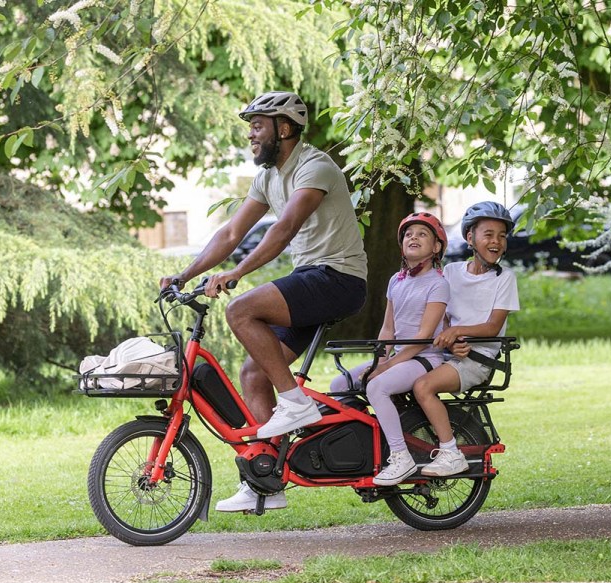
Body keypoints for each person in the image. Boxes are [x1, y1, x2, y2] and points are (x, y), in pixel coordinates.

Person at [159, 91, 368, 511]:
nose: (251, 135)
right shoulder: (267, 177)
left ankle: (295, 403)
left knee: (241, 309)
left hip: (339, 278)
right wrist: (185, 275)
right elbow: (230, 234)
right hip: (310, 277)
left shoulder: (316, 166)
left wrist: (238, 274)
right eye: (250, 127)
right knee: (253, 374)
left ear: (284, 128)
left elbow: (286, 227)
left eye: (258, 125)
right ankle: (265, 480)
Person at [330, 213, 449, 486]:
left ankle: (400, 457)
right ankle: (368, 444)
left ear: (436, 247)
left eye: (422, 234)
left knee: (377, 387)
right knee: (340, 383)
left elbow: (422, 338)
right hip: (399, 356)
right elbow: (388, 330)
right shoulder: (397, 280)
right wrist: (379, 361)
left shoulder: (437, 284)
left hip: (425, 359)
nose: (413, 237)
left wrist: (384, 369)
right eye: (408, 234)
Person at [412, 201, 520, 477]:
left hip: (477, 360)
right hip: (449, 352)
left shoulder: (504, 278)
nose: (496, 241)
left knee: (423, 387)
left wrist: (459, 333)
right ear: (470, 238)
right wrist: (451, 338)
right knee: (400, 379)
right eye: (489, 234)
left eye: (502, 236)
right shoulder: (451, 272)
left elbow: (493, 326)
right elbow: (443, 318)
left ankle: (451, 452)